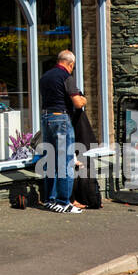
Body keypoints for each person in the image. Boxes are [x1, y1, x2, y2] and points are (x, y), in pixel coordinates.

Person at [39, 50, 86, 213]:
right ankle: (64, 202)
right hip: (61, 120)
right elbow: (78, 103)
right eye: (73, 66)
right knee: (66, 161)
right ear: (70, 64)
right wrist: (83, 98)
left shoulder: (45, 77)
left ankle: (49, 200)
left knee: (51, 159)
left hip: (46, 119)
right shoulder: (66, 76)